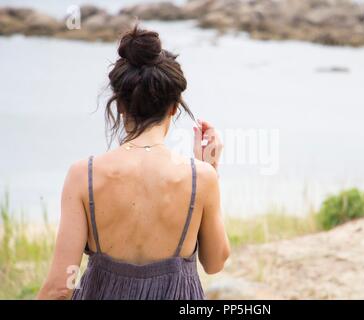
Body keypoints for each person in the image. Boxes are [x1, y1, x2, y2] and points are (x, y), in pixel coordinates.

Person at [37, 26, 230, 300]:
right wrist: (211, 169)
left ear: (120, 106)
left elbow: (60, 287)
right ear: (174, 107)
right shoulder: (201, 178)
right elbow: (215, 263)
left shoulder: (84, 175)